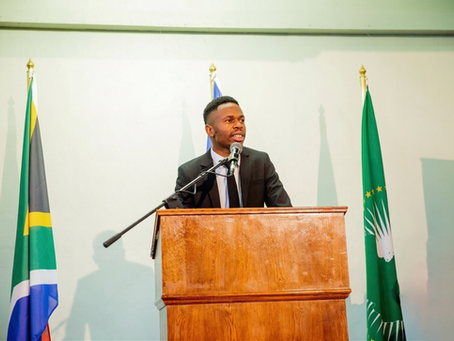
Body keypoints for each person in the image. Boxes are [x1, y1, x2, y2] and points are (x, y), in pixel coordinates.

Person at [174, 96, 291, 208]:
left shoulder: (260, 162)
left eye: (242, 120)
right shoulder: (190, 173)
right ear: (210, 130)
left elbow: (284, 211)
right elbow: (181, 222)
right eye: (229, 120)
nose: (239, 125)